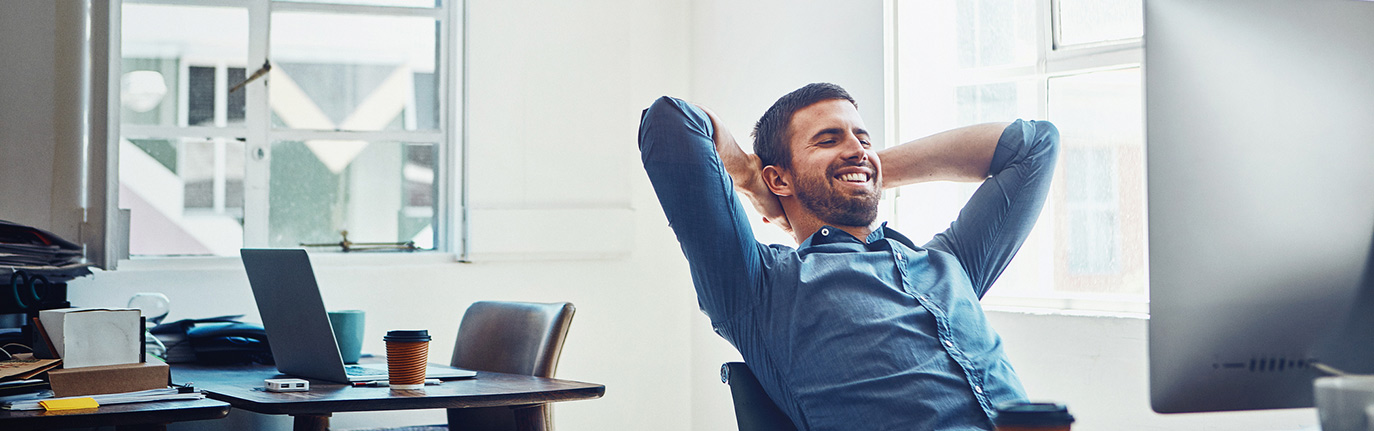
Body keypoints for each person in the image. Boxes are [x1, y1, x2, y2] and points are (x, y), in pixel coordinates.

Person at [638, 83, 1059, 430]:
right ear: (778, 177)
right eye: (828, 139)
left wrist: (861, 170)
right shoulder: (760, 285)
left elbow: (1036, 144)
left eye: (863, 138)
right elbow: (672, 121)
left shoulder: (948, 263)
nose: (857, 148)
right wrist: (752, 178)